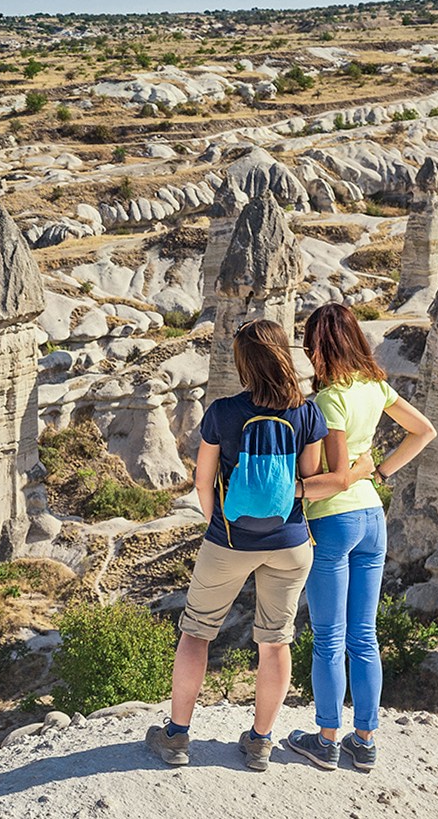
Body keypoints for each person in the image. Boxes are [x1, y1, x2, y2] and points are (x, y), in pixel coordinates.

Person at [146, 319, 365, 771]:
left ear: (243, 363)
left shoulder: (223, 412)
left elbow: (202, 480)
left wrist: (216, 524)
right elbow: (306, 480)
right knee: (275, 642)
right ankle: (261, 741)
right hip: (289, 543)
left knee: (196, 633)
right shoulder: (306, 413)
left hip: (229, 540)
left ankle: (177, 736)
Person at [286, 303, 435, 773]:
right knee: (364, 635)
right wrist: (382, 469)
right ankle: (365, 741)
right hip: (374, 517)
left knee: (329, 638)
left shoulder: (327, 400)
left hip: (333, 519)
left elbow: (336, 475)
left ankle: (327, 739)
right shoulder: (375, 386)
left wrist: (355, 470)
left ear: (319, 345)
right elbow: (423, 431)